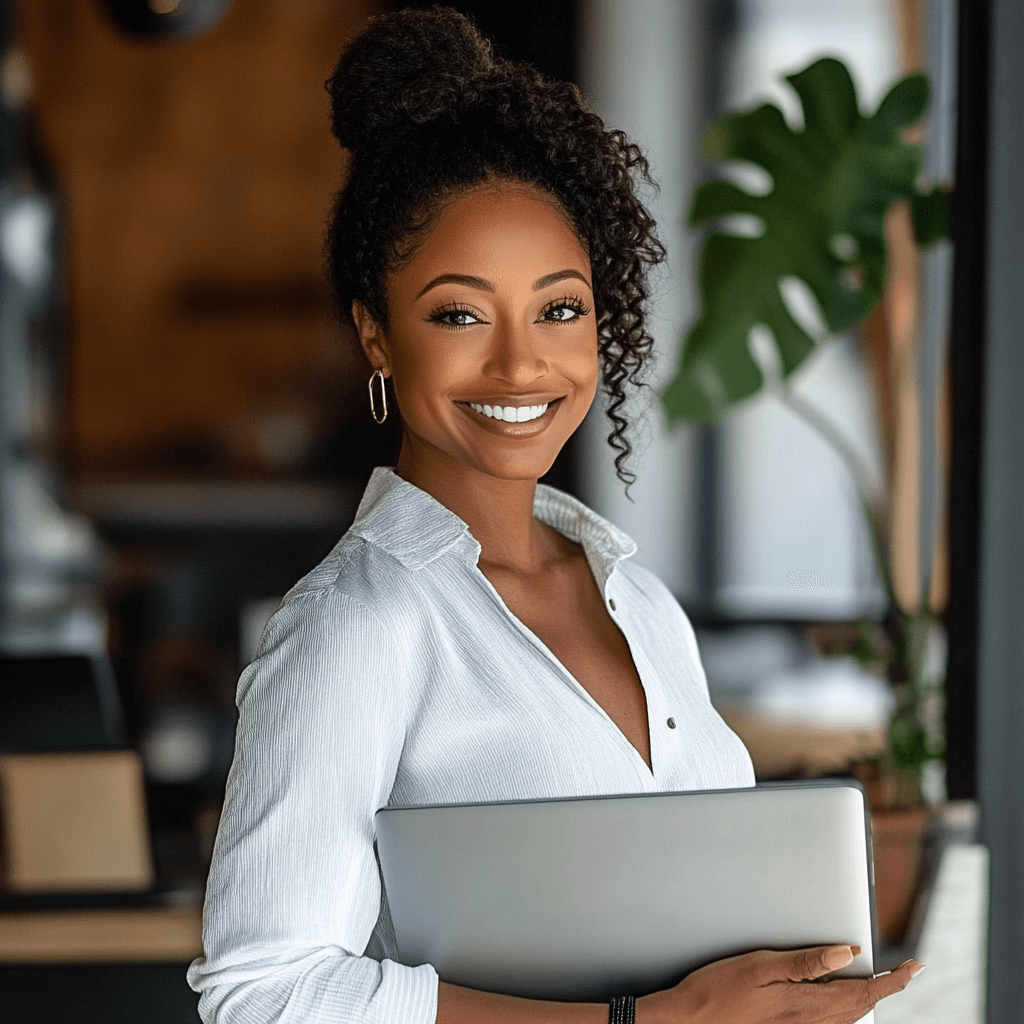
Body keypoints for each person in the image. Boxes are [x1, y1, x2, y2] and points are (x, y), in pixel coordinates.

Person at [187, 8, 922, 1023]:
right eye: (458, 313)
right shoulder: (359, 623)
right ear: (377, 335)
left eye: (559, 307)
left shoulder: (641, 602)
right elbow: (263, 990)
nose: (520, 363)